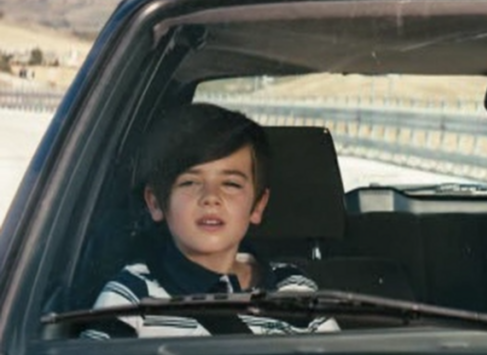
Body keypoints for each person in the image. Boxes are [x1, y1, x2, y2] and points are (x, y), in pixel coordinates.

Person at [82, 103, 339, 338]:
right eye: (189, 182)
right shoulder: (130, 297)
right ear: (156, 203)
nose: (211, 198)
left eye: (231, 184)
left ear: (258, 206)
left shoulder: (295, 288)